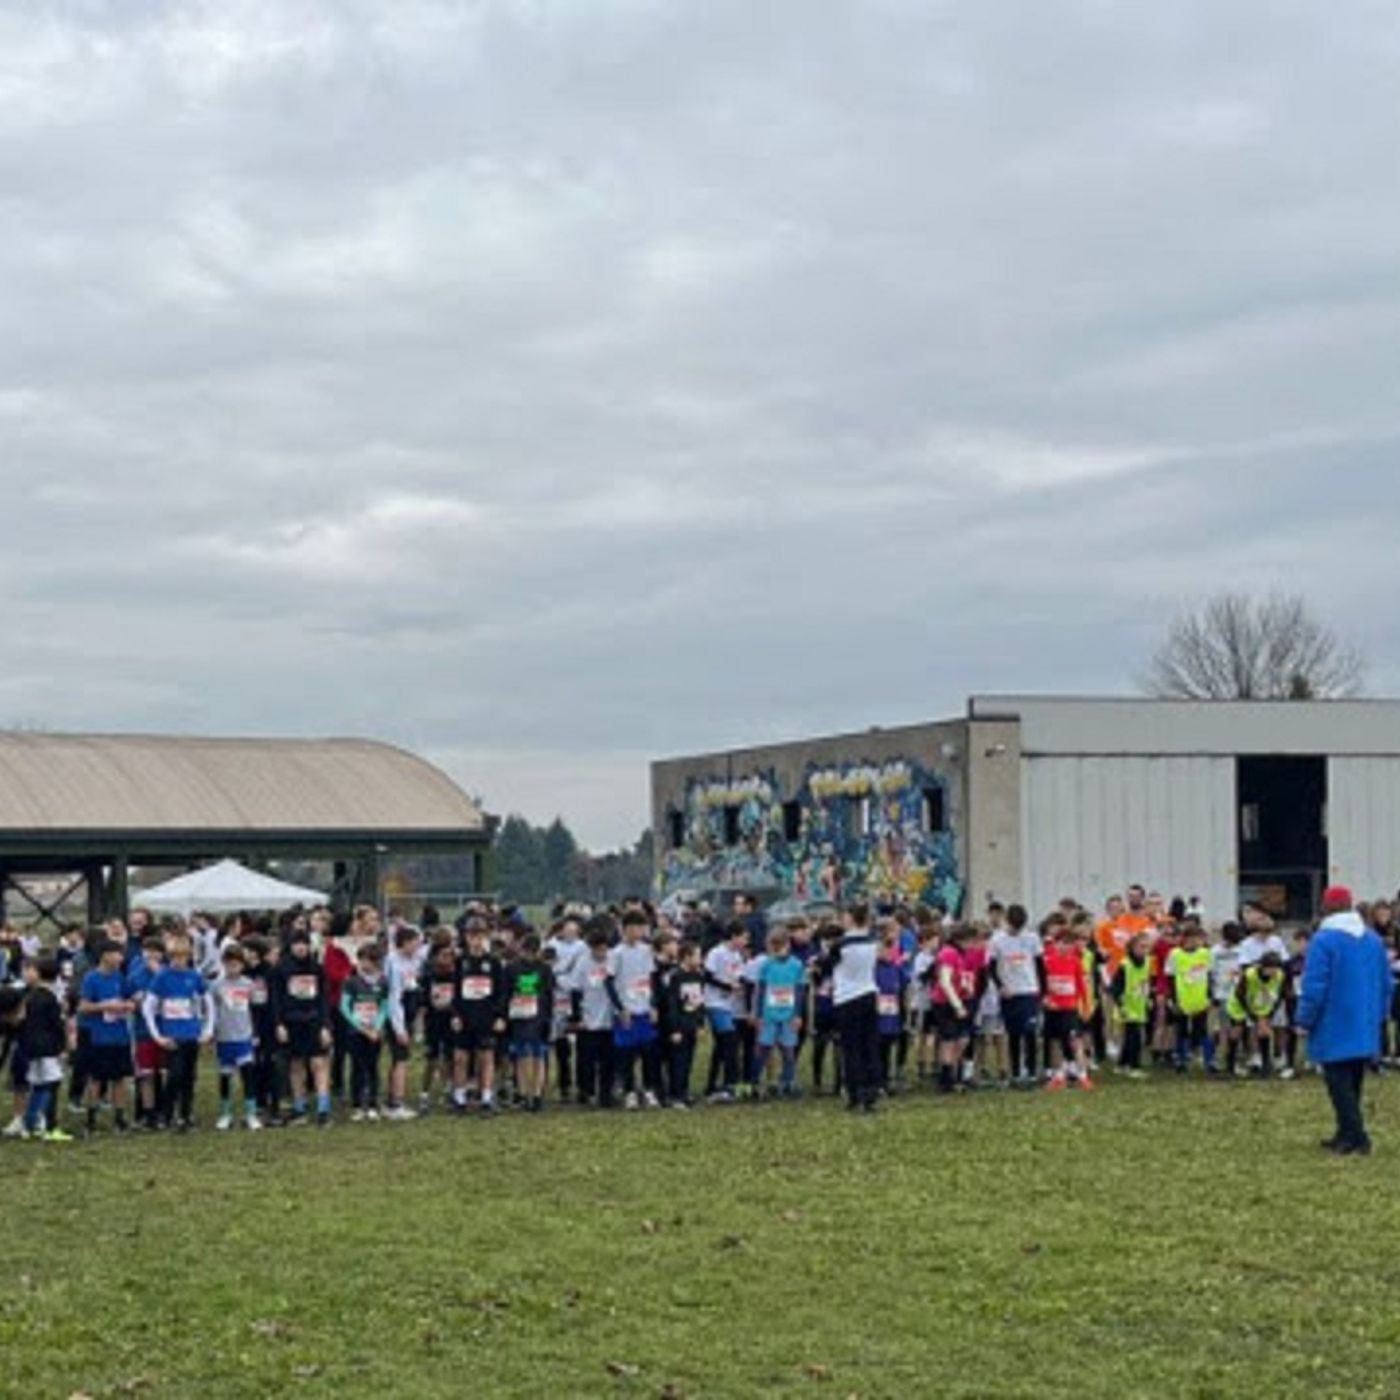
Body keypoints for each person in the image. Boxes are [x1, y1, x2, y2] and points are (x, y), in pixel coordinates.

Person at [1296, 886, 1394, 1157]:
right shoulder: (1373, 940)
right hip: (1365, 1020)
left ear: (1326, 907)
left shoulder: (1324, 941)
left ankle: (1357, 1136)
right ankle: (1345, 1131)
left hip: (1334, 1020)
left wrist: (1304, 1018)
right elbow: (1386, 983)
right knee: (1354, 1081)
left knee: (1338, 1084)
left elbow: (1315, 985)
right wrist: (1380, 1015)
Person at [143, 932, 214, 1132]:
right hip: (171, 1035)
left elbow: (208, 1003)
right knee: (174, 1074)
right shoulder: (162, 977)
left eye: (182, 956)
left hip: (191, 1033)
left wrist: (207, 1030)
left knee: (189, 1076)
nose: (178, 961)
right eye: (174, 957)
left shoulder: (194, 976)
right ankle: (166, 1113)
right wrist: (157, 1035)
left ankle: (186, 1114)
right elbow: (149, 1006)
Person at [271, 926, 333, 1128]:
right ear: (290, 946)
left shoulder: (317, 968)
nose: (301, 948)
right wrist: (279, 1024)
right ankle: (300, 1107)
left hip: (314, 1021)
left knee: (319, 1064)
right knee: (296, 1065)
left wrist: (325, 1026)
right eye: (297, 944)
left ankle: (324, 1109)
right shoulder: (281, 969)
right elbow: (276, 1000)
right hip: (291, 1022)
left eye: (304, 943)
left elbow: (324, 999)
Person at [824, 903, 881, 1113]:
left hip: (847, 997)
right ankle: (871, 1091)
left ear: (851, 918)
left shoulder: (841, 944)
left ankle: (854, 1092)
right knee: (869, 1045)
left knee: (851, 1048)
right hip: (868, 992)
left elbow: (827, 965)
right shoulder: (873, 941)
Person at [76, 939, 135, 1135]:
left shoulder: (120, 977)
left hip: (120, 1035)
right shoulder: (91, 978)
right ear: (105, 955)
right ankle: (90, 1119)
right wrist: (105, 1006)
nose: (121, 958)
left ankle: (119, 1118)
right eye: (117, 953)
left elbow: (130, 997)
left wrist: (130, 1004)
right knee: (96, 1079)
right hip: (99, 1036)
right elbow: (83, 1006)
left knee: (120, 1079)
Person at [607, 911, 659, 1110]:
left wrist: (653, 1004)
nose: (639, 931)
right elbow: (609, 982)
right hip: (627, 1010)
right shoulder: (616, 953)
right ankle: (629, 1092)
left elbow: (651, 978)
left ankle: (648, 1090)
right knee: (627, 1053)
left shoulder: (646, 951)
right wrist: (620, 1009)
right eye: (636, 927)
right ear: (626, 929)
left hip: (644, 1007)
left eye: (642, 927)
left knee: (648, 1051)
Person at [988, 905, 1043, 1089]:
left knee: (1030, 1032)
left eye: (1018, 928)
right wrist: (1001, 986)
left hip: (1029, 991)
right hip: (1010, 993)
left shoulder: (1032, 938)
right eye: (1013, 927)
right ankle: (1016, 1072)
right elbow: (991, 967)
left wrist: (1041, 991)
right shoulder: (997, 940)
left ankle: (1032, 1071)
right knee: (1013, 1034)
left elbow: (1040, 964)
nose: (1015, 931)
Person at [19, 958, 73, 1142]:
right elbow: (56, 1025)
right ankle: (47, 1125)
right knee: (50, 1083)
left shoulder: (35, 996)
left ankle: (31, 1123)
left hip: (35, 1046)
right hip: (45, 1048)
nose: (26, 973)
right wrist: (62, 1045)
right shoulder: (46, 997)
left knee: (40, 1084)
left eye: (30, 969)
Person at [211, 943, 262, 1132]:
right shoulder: (216, 985)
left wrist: (255, 1033)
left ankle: (251, 1113)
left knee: (248, 1074)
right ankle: (225, 1113)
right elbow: (212, 1009)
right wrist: (212, 1032)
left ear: (242, 965)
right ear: (223, 964)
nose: (233, 968)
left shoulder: (249, 984)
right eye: (229, 964)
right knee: (225, 1076)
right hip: (224, 1037)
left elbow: (255, 1009)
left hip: (244, 1036)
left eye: (237, 964)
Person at [505, 932, 554, 1113]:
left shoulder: (544, 969)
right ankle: (525, 1094)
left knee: (538, 1056)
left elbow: (549, 995)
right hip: (519, 1017)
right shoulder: (511, 969)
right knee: (522, 1056)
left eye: (533, 952)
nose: (530, 956)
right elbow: (506, 992)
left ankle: (536, 1095)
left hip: (538, 1017)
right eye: (527, 952)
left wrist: (548, 1018)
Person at [341, 944, 390, 1122]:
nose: (364, 964)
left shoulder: (383, 981)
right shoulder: (351, 982)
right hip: (355, 1031)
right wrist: (361, 1027)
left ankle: (372, 1103)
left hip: (375, 1032)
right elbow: (345, 1007)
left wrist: (376, 1028)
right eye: (361, 959)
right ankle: (356, 1105)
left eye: (368, 960)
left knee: (373, 1067)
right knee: (357, 1067)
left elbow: (384, 1007)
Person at [1042, 921, 1093, 1091]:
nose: (1066, 947)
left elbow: (1081, 987)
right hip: (1052, 1009)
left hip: (1069, 1008)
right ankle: (1059, 1075)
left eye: (1069, 943)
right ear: (1055, 943)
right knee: (1055, 1041)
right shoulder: (1047, 961)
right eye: (1062, 943)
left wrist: (1085, 1006)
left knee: (1074, 1041)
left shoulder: (1075, 962)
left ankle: (1083, 1074)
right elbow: (1043, 984)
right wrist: (1045, 999)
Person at [754, 929, 806, 1098]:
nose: (777, 951)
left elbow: (800, 991)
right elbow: (760, 991)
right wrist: (758, 1015)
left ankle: (788, 1083)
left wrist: (798, 1015)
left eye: (780, 947)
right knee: (763, 1049)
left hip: (789, 1015)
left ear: (788, 945)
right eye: (774, 948)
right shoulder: (766, 965)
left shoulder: (797, 965)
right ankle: (757, 1083)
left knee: (788, 1051)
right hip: (769, 1015)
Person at [571, 927, 616, 1110]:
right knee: (586, 1059)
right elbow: (575, 991)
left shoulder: (614, 960)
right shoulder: (582, 963)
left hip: (609, 1018)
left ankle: (606, 1093)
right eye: (597, 950)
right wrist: (577, 1017)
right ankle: (586, 1091)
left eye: (604, 949)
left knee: (609, 1060)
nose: (601, 953)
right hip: (588, 1018)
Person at [1167, 921, 1216, 1076]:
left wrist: (1209, 997)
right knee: (1182, 1030)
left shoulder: (1205, 954)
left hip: (1200, 998)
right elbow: (1171, 978)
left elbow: (1209, 976)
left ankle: (1209, 1061)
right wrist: (1174, 1000)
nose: (1195, 942)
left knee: (1202, 1030)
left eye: (1198, 938)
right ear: (1184, 939)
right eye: (1191, 938)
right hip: (1183, 998)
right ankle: (1181, 1060)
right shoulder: (1175, 954)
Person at [664, 940, 705, 1108]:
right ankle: (675, 1094)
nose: (700, 959)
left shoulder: (698, 976)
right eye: (697, 956)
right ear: (686, 957)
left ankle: (684, 1091)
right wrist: (674, 1029)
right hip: (679, 1025)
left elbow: (700, 1001)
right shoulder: (675, 977)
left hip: (692, 1024)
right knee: (677, 1061)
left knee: (689, 1059)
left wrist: (700, 1023)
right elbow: (672, 1004)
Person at [1110, 932, 1153, 1079]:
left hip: (1139, 1004)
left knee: (1130, 1037)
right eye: (1141, 947)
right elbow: (1115, 988)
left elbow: (1146, 981)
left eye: (1147, 947)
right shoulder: (1125, 965)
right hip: (1126, 1007)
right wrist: (1120, 1005)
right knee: (1135, 1037)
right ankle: (1134, 1066)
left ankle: (1122, 1064)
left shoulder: (1147, 962)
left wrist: (1148, 998)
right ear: (1133, 947)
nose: (1145, 950)